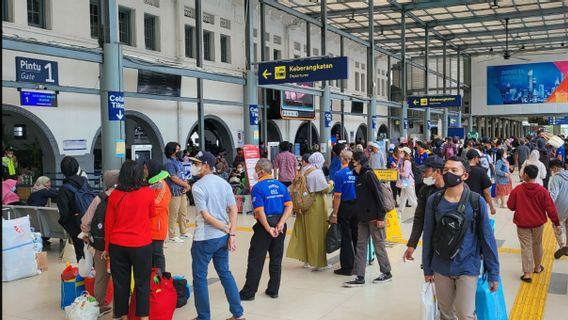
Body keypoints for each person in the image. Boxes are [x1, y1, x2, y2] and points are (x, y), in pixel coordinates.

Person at [423, 157, 500, 320]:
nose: (448, 173)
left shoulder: (476, 201)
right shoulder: (434, 201)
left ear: (465, 175)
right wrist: (427, 268)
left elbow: (487, 238)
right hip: (441, 266)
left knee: (465, 314)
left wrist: (493, 272)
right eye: (445, 170)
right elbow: (428, 235)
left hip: (467, 265)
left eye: (454, 170)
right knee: (445, 314)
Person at [189, 151, 244, 320]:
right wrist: (231, 233)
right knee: (225, 273)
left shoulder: (198, 186)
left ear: (206, 166)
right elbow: (234, 209)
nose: (194, 166)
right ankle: (238, 314)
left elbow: (205, 215)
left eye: (197, 163)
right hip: (222, 239)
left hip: (205, 238)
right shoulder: (223, 183)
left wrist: (225, 228)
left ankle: (203, 317)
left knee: (199, 278)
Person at [102, 161, 155, 320]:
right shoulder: (148, 193)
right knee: (142, 283)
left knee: (120, 284)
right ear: (139, 174)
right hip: (141, 244)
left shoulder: (114, 195)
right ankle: (143, 317)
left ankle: (122, 316)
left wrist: (106, 248)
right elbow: (151, 214)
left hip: (117, 245)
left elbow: (108, 224)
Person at [240, 158, 293, 300]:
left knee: (256, 259)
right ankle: (273, 290)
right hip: (280, 224)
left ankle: (249, 292)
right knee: (276, 259)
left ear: (261, 171)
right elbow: (289, 205)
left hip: (265, 226)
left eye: (255, 170)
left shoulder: (258, 187)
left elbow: (260, 211)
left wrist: (268, 228)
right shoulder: (281, 185)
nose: (254, 173)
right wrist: (281, 223)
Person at [343, 151, 392, 287]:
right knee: (361, 245)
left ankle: (386, 272)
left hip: (375, 217)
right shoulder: (357, 176)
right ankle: (359, 276)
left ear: (358, 161)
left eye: (352, 159)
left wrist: (381, 216)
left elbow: (379, 195)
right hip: (362, 218)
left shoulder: (369, 175)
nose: (350, 162)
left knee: (379, 245)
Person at [507, 164, 561, 282]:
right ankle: (537, 267)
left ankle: (527, 274)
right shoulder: (542, 191)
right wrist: (556, 223)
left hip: (522, 223)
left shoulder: (518, 190)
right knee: (537, 244)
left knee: (526, 247)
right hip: (538, 223)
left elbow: (510, 206)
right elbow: (550, 208)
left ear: (525, 175)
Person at [80, 170, 119, 317]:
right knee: (120, 277)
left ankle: (100, 305)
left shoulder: (99, 198)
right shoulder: (125, 196)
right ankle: (120, 309)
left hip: (100, 244)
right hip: (121, 244)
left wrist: (88, 234)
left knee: (101, 276)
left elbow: (85, 222)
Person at [287, 152, 332, 271]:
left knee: (305, 232)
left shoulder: (304, 170)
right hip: (315, 204)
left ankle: (306, 260)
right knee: (317, 233)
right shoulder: (317, 172)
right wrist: (331, 184)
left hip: (304, 205)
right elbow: (324, 190)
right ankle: (319, 263)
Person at [403, 156, 445, 262]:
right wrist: (412, 245)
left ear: (438, 171)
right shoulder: (425, 190)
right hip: (431, 239)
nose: (423, 174)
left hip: (449, 238)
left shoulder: (452, 189)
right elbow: (419, 218)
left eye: (426, 171)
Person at [329, 150, 358, 276]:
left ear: (342, 159)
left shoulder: (339, 174)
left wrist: (334, 214)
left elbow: (337, 196)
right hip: (357, 206)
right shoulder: (357, 172)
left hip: (345, 207)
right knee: (357, 236)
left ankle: (347, 267)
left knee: (346, 237)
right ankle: (359, 264)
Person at [57, 156, 90, 262]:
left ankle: (84, 275)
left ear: (63, 171)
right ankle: (94, 274)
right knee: (92, 250)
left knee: (80, 252)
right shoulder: (85, 182)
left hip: (75, 224)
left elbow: (64, 213)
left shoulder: (63, 190)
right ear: (77, 168)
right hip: (89, 220)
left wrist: (65, 223)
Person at [146, 160, 172, 274]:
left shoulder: (162, 185)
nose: (144, 171)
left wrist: (141, 208)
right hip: (147, 226)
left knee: (157, 255)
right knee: (149, 256)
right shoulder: (149, 183)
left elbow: (157, 205)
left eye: (146, 169)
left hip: (157, 227)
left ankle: (160, 281)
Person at [164, 142, 191, 243]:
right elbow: (173, 177)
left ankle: (183, 232)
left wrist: (186, 185)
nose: (179, 151)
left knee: (183, 212)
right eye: (177, 150)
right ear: (171, 151)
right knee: (173, 214)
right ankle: (172, 235)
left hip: (182, 191)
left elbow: (184, 175)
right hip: (174, 191)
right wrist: (186, 185)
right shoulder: (169, 163)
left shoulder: (179, 162)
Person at [28, 176, 59, 247]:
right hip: (40, 218)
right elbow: (57, 194)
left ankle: (43, 239)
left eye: (49, 182)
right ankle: (44, 238)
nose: (50, 184)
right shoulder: (43, 191)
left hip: (33, 219)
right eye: (47, 182)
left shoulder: (35, 190)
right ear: (42, 183)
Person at [465, 149, 497, 216]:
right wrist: (491, 207)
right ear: (475, 158)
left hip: (463, 202)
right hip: (477, 203)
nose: (479, 160)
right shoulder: (481, 171)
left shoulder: (461, 170)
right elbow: (486, 192)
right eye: (478, 158)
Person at [549, 159, 568, 259]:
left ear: (555, 167)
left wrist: (547, 207)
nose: (552, 171)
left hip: (561, 206)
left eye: (552, 169)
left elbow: (553, 195)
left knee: (557, 225)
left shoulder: (556, 178)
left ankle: (562, 245)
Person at [397, 147, 417, 218]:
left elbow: (405, 174)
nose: (400, 153)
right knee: (403, 197)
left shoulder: (407, 162)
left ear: (405, 153)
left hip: (408, 182)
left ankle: (418, 212)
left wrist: (399, 172)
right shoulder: (403, 161)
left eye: (402, 152)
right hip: (405, 182)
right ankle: (400, 212)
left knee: (411, 198)